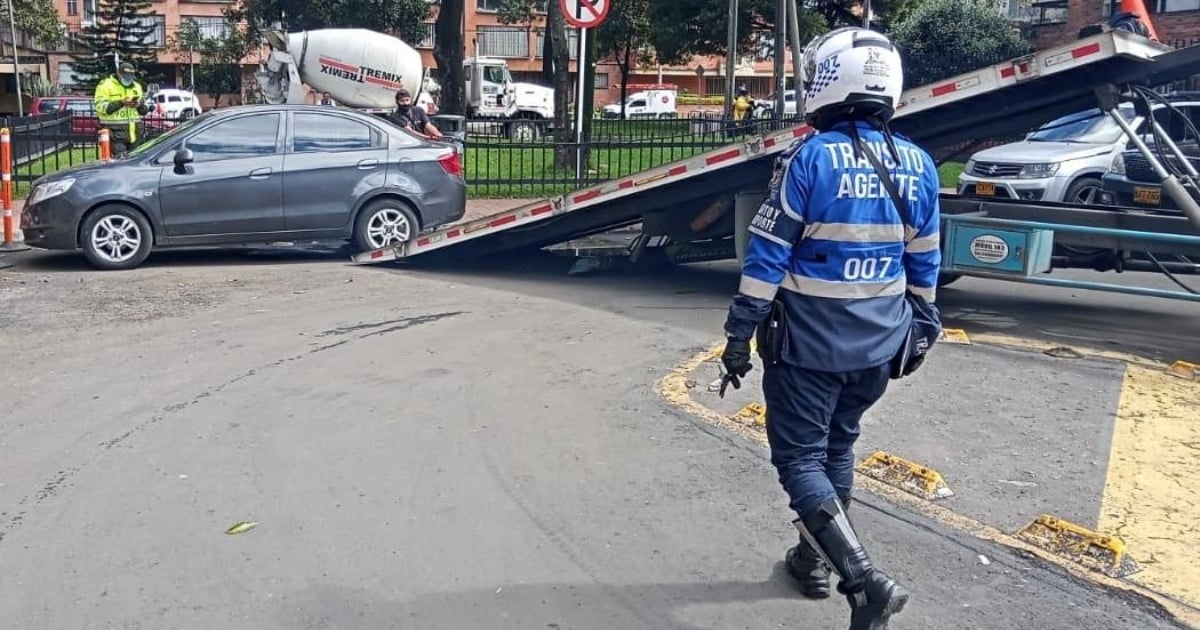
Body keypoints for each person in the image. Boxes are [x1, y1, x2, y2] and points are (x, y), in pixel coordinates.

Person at [718, 26, 942, 630]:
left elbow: (766, 258)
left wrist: (739, 336)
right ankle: (811, 559)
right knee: (838, 447)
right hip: (879, 347)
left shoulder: (807, 159)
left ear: (831, 81)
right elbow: (925, 264)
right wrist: (923, 326)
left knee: (799, 459)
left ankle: (862, 579)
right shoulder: (919, 165)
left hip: (807, 347)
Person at [93, 61, 150, 156]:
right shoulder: (105, 85)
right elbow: (101, 107)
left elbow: (144, 111)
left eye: (130, 77)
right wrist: (121, 102)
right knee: (121, 163)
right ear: (118, 74)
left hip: (135, 134)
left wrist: (139, 105)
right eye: (125, 77)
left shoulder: (136, 86)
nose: (128, 80)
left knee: (135, 163)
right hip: (115, 134)